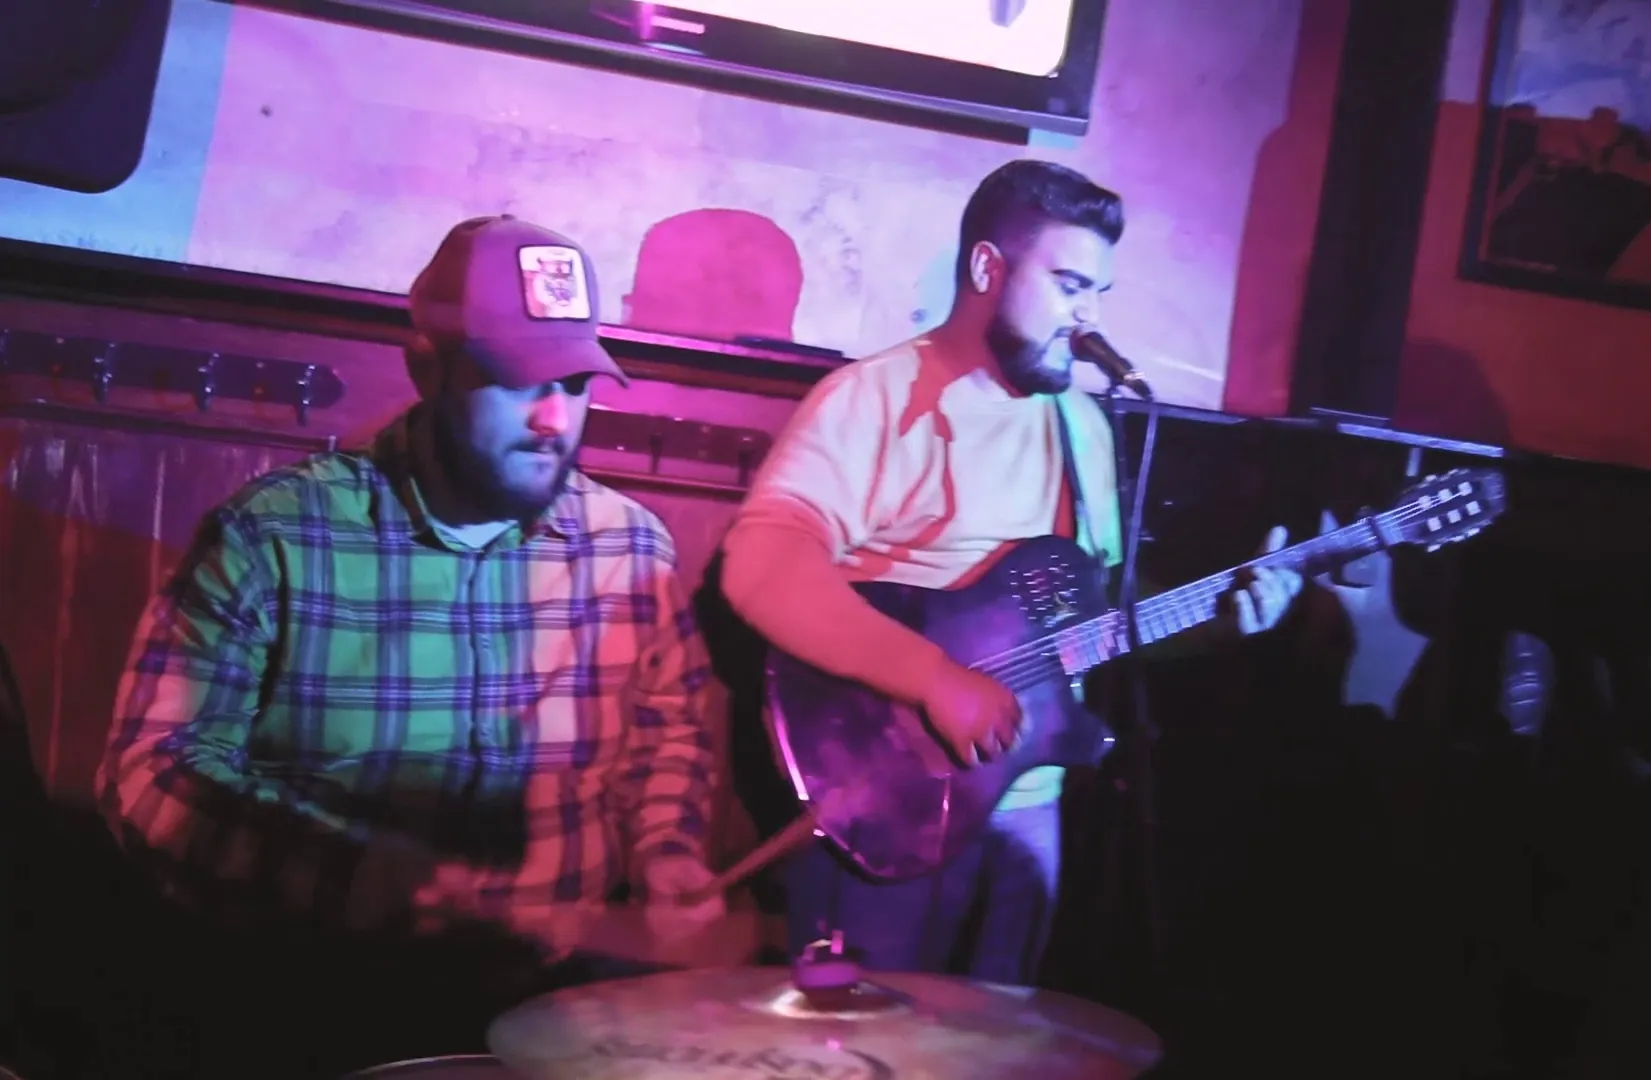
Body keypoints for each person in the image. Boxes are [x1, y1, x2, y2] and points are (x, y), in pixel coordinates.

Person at [94, 215, 724, 1078]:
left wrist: (666, 852)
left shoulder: (633, 549)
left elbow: (667, 737)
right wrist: (349, 871)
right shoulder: (277, 535)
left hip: (560, 1003)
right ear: (426, 366)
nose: (553, 418)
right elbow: (152, 770)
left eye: (576, 384)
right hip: (310, 994)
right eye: (515, 381)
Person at [719, 159, 1303, 986]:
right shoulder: (874, 399)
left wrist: (1220, 619)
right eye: (1069, 285)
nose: (1089, 317)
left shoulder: (1082, 428)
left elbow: (1092, 624)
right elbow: (761, 563)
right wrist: (931, 678)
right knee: (861, 1043)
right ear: (988, 268)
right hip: (890, 801)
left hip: (1028, 812)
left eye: (1099, 292)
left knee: (999, 1041)